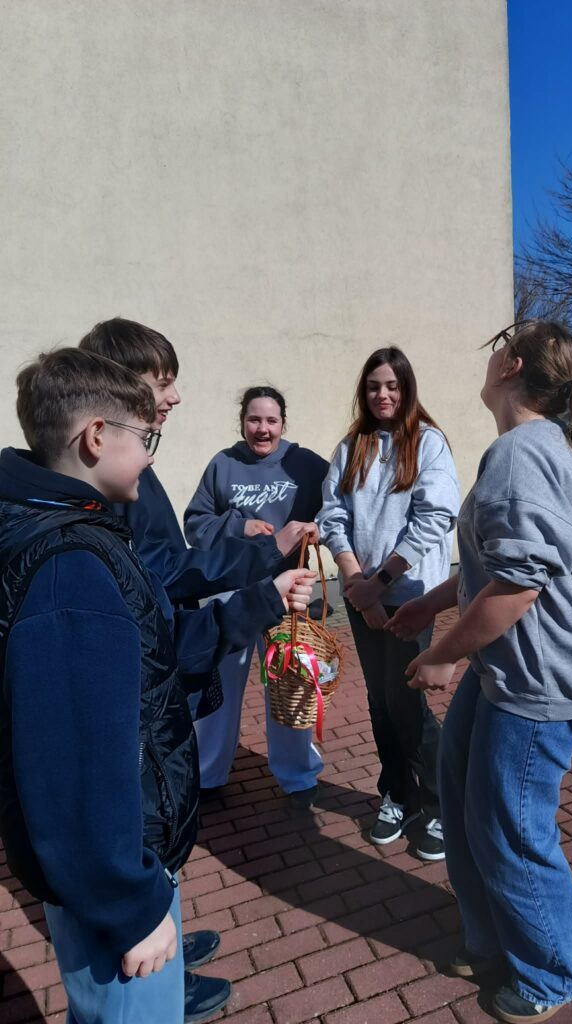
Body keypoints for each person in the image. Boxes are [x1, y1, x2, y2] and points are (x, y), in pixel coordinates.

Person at [388, 321, 572, 1022]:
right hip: (517, 673)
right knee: (464, 796)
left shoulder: (523, 455)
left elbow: (519, 586)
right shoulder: (532, 449)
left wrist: (443, 654)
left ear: (512, 365)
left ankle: (556, 971)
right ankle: (492, 939)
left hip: (544, 685)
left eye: (498, 344)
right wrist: (430, 605)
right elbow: (496, 568)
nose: (490, 353)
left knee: (510, 827)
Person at [78, 318, 317, 1021]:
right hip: (150, 689)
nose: (176, 396)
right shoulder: (112, 482)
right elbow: (166, 581)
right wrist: (260, 577)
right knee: (145, 822)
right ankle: (154, 979)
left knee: (161, 826)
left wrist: (265, 560)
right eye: (163, 382)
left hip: (170, 673)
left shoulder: (133, 465)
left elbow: (169, 565)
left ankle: (164, 941)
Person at [317, 347, 460, 860]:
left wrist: (379, 583)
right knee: (380, 702)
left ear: (407, 389)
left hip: (409, 599)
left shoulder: (428, 443)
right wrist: (357, 583)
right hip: (363, 595)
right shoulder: (351, 446)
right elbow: (332, 515)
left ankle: (443, 804)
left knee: (406, 702)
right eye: (375, 385)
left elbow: (434, 519)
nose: (383, 395)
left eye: (393, 386)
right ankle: (398, 795)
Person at [184, 386, 329, 804]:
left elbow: (339, 508)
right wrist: (238, 527)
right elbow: (195, 524)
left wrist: (320, 528)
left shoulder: (306, 464)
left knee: (290, 685)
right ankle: (208, 774)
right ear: (242, 422)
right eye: (254, 419)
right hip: (231, 592)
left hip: (290, 592)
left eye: (271, 420)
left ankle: (298, 776)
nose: (262, 429)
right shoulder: (223, 464)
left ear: (283, 423)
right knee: (221, 685)